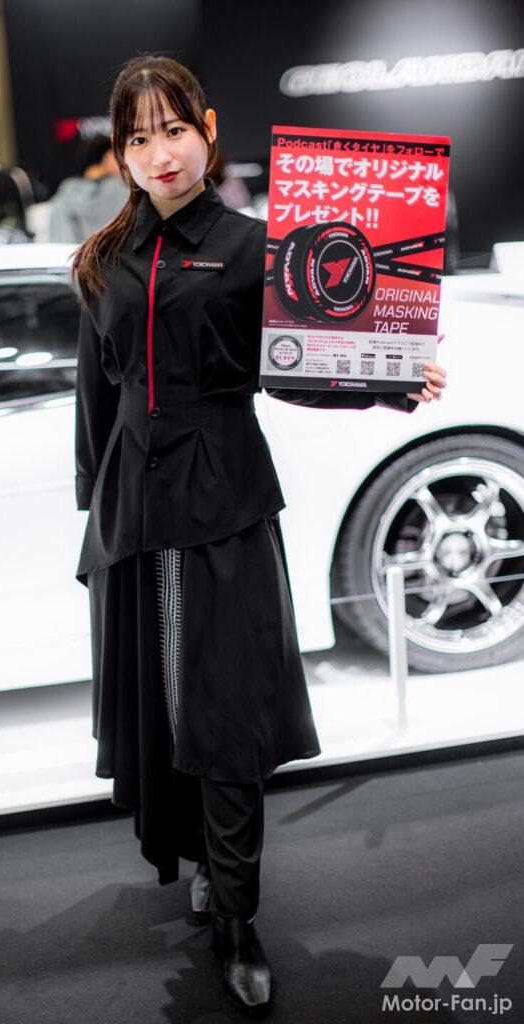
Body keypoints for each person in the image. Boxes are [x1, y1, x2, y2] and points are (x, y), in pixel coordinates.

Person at [71, 54, 447, 1017]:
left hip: (226, 502)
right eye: (138, 138)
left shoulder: (255, 246)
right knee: (163, 710)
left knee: (226, 714)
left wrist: (389, 381)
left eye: (173, 130)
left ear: (206, 129)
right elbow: (96, 393)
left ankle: (237, 920)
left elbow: (296, 365)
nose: (159, 152)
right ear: (120, 154)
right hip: (131, 517)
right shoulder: (103, 257)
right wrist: (90, 502)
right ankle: (200, 860)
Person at [49, 135, 128, 243]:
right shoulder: (122, 188)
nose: (124, 161)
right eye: (118, 155)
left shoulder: (67, 191)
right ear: (108, 157)